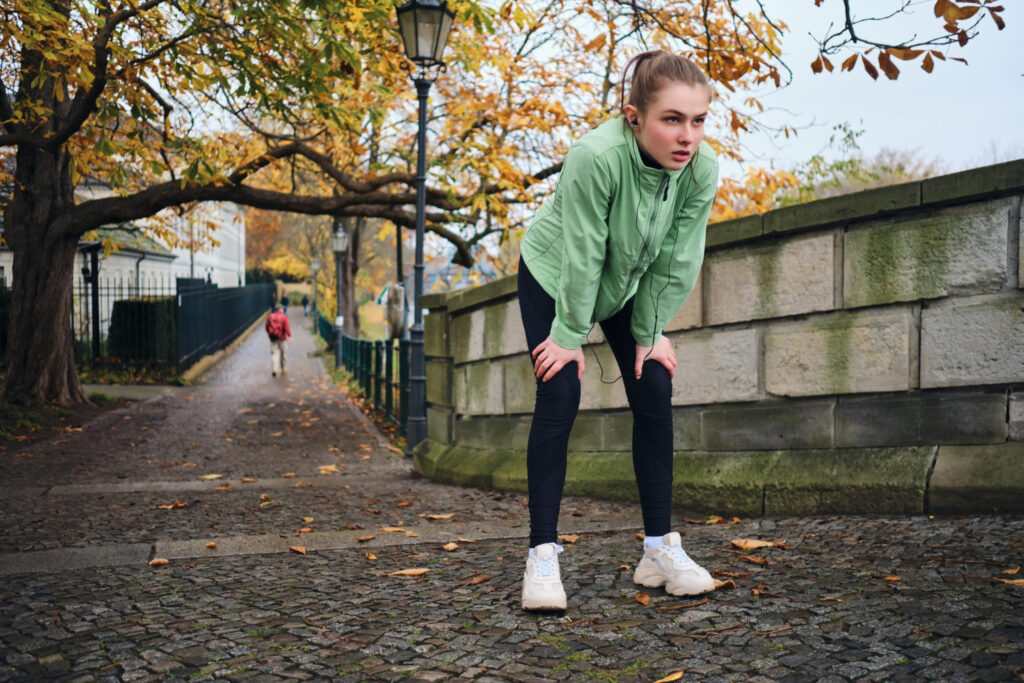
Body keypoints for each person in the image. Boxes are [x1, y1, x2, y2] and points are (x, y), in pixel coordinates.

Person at [516, 50, 719, 611]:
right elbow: (584, 253)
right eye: (671, 119)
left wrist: (651, 331)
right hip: (556, 274)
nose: (687, 136)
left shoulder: (701, 170)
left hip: (625, 284)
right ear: (635, 117)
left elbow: (679, 257)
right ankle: (541, 555)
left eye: (698, 120)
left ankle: (657, 549)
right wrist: (568, 335)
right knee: (560, 388)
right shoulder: (595, 156)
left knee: (654, 382)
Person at [265, 304, 292, 377]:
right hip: (282, 338)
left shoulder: (270, 316)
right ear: (280, 309)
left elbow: (266, 326)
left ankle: (274, 369)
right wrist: (289, 336)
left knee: (274, 353)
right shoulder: (284, 317)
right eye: (282, 309)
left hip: (273, 338)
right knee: (283, 354)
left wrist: (270, 334)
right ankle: (283, 369)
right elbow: (287, 328)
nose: (283, 310)